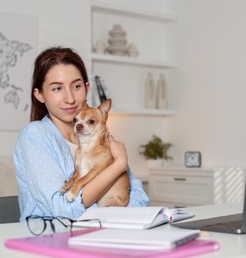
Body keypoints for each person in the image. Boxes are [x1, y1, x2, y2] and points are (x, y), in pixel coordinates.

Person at [14, 47, 149, 221]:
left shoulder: (98, 135)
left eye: (76, 86)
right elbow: (62, 209)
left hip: (106, 234)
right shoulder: (34, 136)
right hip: (50, 238)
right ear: (39, 95)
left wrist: (115, 216)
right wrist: (119, 164)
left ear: (86, 88)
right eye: (57, 89)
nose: (70, 98)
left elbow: (139, 197)